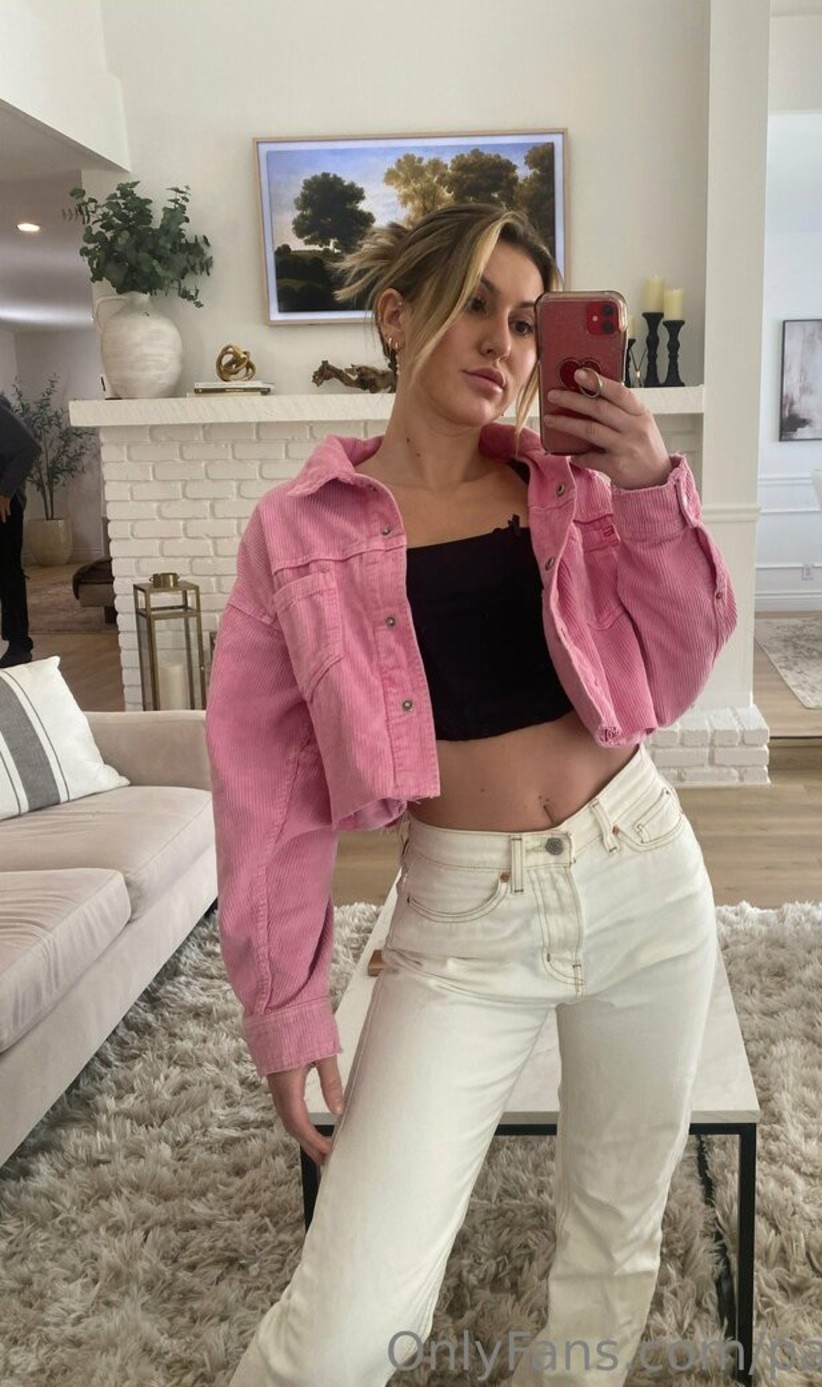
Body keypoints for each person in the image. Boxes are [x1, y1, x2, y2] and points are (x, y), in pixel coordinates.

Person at [207, 203, 737, 1387]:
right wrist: (286, 1007)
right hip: (458, 925)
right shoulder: (295, 533)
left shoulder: (571, 484)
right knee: (347, 1325)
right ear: (397, 316)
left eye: (527, 320)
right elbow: (265, 789)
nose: (505, 341)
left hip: (645, 872)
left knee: (613, 1237)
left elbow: (680, 666)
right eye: (476, 305)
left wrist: (651, 487)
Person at [0, 393, 39, 669]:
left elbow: (29, 448)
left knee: (7, 573)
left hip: (4, 506)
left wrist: (4, 491)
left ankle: (19, 645)